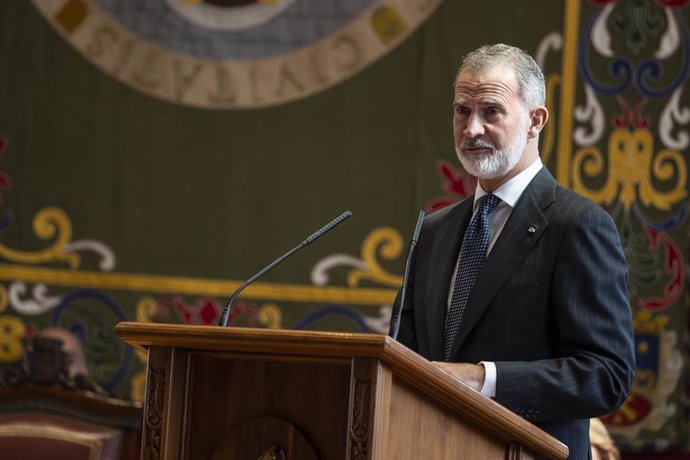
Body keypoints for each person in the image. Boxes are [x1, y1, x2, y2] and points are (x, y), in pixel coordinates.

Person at [395, 43, 635, 459]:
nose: (471, 129)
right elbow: (404, 360)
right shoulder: (432, 231)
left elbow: (606, 376)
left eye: (490, 111)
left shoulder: (577, 225)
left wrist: (482, 379)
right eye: (462, 111)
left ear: (535, 120)